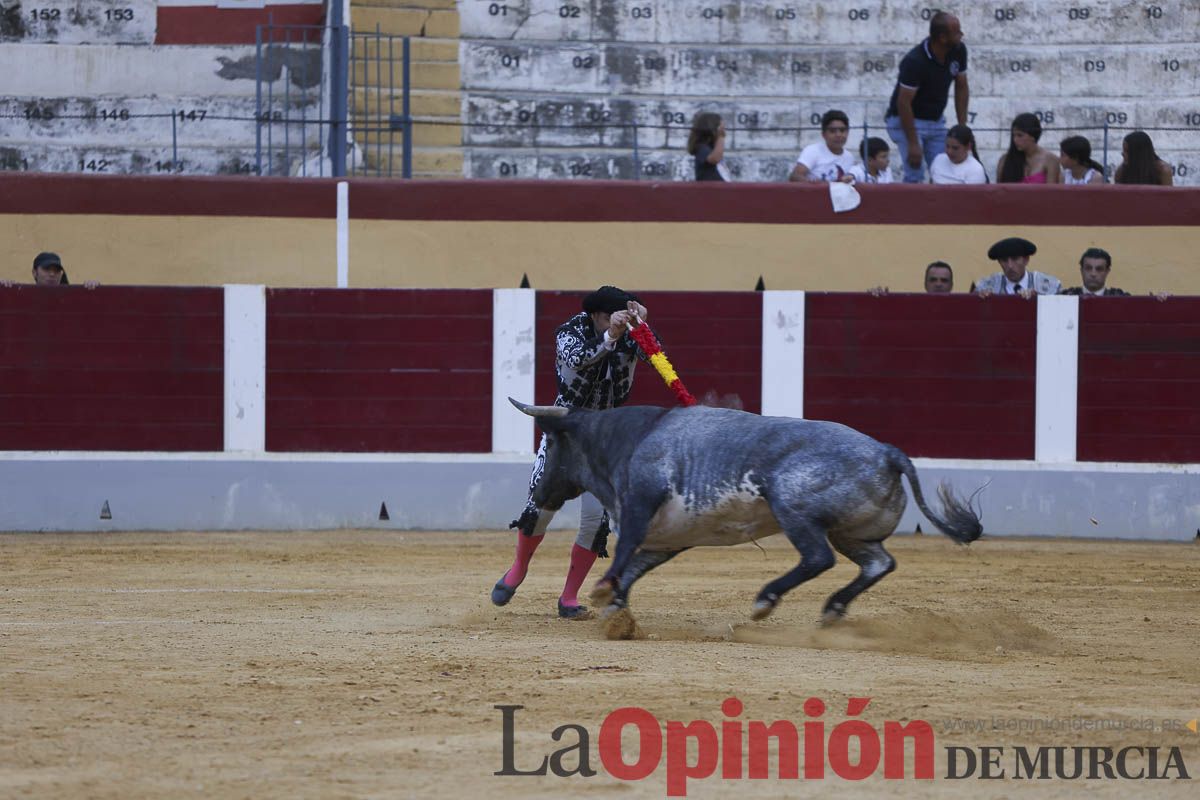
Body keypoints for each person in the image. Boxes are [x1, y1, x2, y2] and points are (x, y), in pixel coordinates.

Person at [492, 286, 650, 620]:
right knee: (540, 506)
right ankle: (518, 569)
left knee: (597, 519)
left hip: (606, 436)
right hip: (565, 432)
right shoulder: (570, 332)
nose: (617, 321)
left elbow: (656, 355)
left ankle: (569, 597)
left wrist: (643, 327)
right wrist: (611, 334)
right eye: (609, 316)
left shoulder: (633, 332)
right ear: (595, 316)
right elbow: (579, 360)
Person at [884, 11, 969, 183]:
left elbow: (961, 86)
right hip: (906, 120)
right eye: (957, 32)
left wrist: (962, 127)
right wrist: (913, 143)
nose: (962, 35)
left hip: (935, 120)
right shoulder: (915, 61)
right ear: (943, 38)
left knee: (944, 175)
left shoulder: (959, 50)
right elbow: (903, 102)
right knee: (915, 174)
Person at [973, 237, 1062, 298]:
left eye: (1015, 259)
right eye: (1004, 260)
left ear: (1026, 260)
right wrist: (984, 303)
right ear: (999, 262)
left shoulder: (1049, 286)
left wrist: (1039, 300)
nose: (1010, 266)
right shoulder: (986, 287)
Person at [788, 110, 856, 183]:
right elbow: (795, 176)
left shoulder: (849, 157)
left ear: (848, 132)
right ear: (823, 134)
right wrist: (814, 184)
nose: (838, 135)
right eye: (832, 131)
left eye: (842, 130)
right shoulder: (813, 151)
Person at [997, 113, 1060, 184]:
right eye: (1013, 135)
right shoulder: (1005, 160)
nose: (1015, 139)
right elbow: (999, 190)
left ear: (1033, 136)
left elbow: (1052, 192)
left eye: (1020, 135)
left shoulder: (1050, 160)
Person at [1059, 248, 1129, 296]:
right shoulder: (1066, 298)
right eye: (1088, 268)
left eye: (1099, 269)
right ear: (1081, 270)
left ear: (1107, 272)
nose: (1093, 274)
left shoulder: (1121, 299)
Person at [688, 112, 730, 182]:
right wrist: (721, 137)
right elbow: (715, 159)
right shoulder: (701, 148)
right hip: (708, 190)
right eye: (721, 128)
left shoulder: (711, 148)